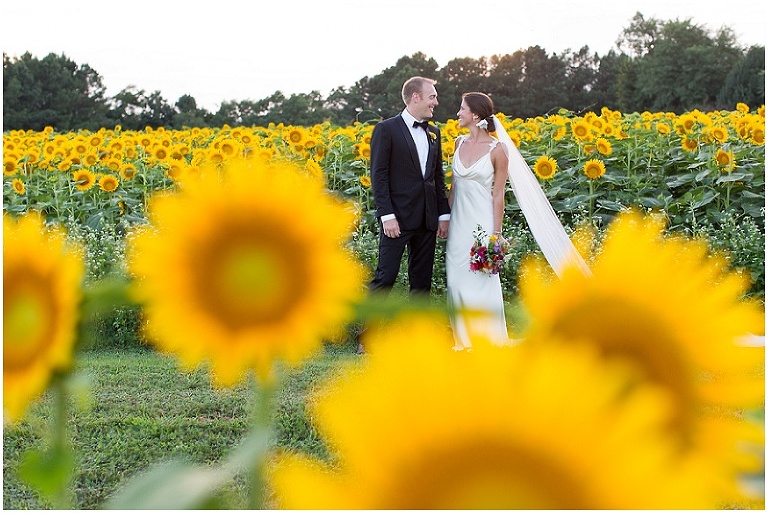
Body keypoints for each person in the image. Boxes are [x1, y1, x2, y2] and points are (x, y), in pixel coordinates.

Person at [446, 92, 591, 351]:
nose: (458, 113)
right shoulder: (458, 143)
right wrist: (445, 218)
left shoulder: (498, 150)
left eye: (462, 109)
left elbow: (499, 193)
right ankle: (463, 340)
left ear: (475, 115)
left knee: (481, 279)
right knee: (456, 280)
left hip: (482, 223)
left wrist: (496, 233)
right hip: (458, 223)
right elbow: (454, 186)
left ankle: (487, 340)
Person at [357, 76, 451, 354]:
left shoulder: (434, 132)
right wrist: (387, 215)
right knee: (385, 277)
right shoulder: (386, 130)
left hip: (427, 218)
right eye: (432, 96)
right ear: (415, 97)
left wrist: (443, 214)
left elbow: (436, 176)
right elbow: (379, 175)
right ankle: (366, 337)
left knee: (420, 280)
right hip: (396, 219)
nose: (436, 101)